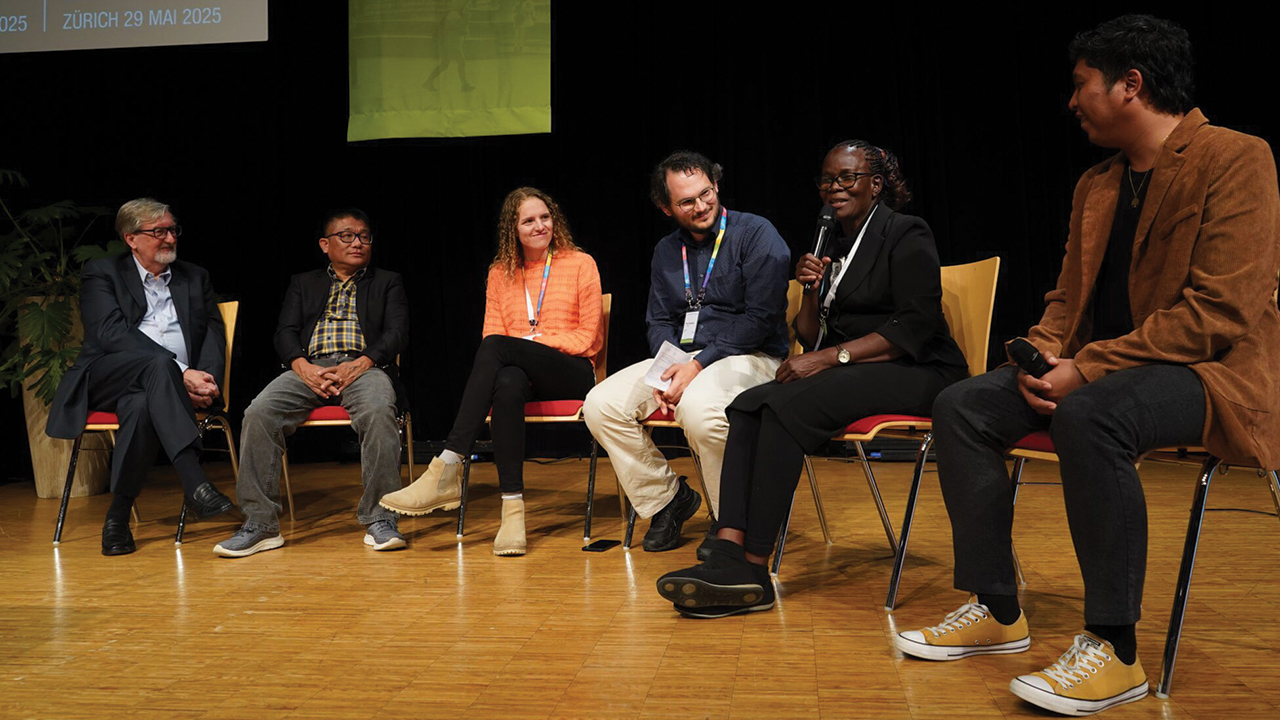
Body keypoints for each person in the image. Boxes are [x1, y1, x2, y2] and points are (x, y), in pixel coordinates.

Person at [892, 14, 1280, 716]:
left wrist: (1089, 368)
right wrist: (1044, 350)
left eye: (1081, 85)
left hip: (1213, 374)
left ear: (1130, 84)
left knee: (1091, 412)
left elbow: (1220, 312)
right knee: (964, 406)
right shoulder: (1096, 184)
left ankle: (1114, 649)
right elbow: (1067, 297)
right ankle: (996, 607)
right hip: (1105, 371)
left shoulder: (1236, 157)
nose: (1071, 102)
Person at [655, 141, 968, 618]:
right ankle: (727, 549)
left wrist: (828, 359)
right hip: (857, 366)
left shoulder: (904, 232)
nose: (835, 188)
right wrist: (809, 293)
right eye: (827, 180)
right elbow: (808, 332)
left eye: (848, 178)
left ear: (875, 184)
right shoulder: (834, 244)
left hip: (919, 369)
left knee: (784, 408)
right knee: (747, 405)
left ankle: (754, 571)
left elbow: (914, 327)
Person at [583, 151, 791, 554]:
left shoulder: (756, 233)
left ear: (716, 185)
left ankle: (729, 519)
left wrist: (696, 365)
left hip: (751, 356)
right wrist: (669, 367)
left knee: (700, 410)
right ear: (666, 208)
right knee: (600, 404)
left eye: (705, 193)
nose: (701, 206)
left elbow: (760, 320)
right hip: (686, 359)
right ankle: (667, 500)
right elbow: (659, 319)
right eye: (686, 202)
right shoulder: (666, 251)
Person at [378, 187, 602, 556]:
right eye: (528, 220)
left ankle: (447, 465)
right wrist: (521, 350)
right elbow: (491, 334)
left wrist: (536, 343)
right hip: (519, 372)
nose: (539, 226)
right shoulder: (500, 273)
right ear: (512, 229)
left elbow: (586, 337)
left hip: (572, 371)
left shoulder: (580, 263)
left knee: (498, 347)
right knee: (507, 380)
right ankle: (512, 511)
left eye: (544, 217)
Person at [213, 208, 410, 557]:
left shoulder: (387, 280)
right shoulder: (304, 282)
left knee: (379, 411)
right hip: (309, 368)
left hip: (364, 367)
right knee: (258, 412)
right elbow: (284, 332)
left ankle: (380, 518)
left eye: (364, 236)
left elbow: (396, 333)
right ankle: (260, 525)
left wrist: (362, 362)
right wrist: (300, 365)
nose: (358, 242)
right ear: (325, 244)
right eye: (347, 236)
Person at [46, 198, 234, 556]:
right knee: (159, 365)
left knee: (141, 405)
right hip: (106, 377)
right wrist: (182, 374)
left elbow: (212, 329)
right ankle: (194, 480)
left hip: (160, 389)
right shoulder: (102, 273)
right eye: (158, 232)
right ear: (131, 238)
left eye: (172, 230)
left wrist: (205, 378)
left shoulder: (194, 277)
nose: (169, 238)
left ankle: (116, 518)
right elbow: (110, 333)